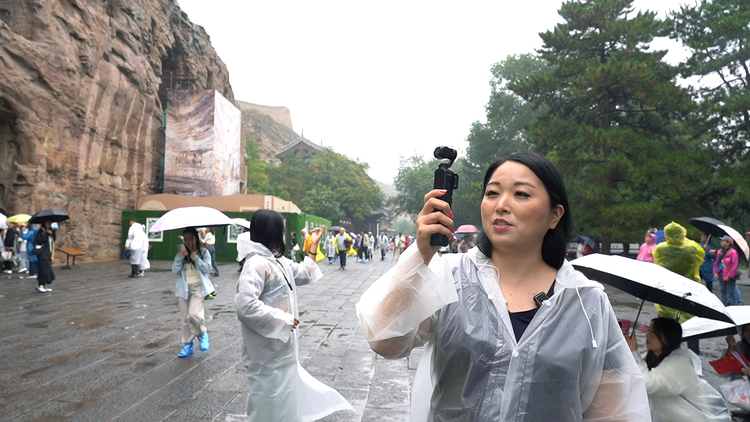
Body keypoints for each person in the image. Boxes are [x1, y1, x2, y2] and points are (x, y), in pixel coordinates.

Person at [356, 152, 649, 421]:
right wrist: (421, 255)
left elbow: (614, 411)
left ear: (554, 215)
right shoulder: (451, 276)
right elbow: (386, 341)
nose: (501, 204)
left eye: (520, 194)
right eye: (492, 193)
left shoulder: (586, 301)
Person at [234, 210, 351, 421]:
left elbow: (305, 273)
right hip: (265, 356)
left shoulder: (278, 261)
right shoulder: (256, 264)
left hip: (285, 352)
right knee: (265, 408)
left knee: (285, 407)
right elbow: (245, 306)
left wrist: (314, 244)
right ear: (274, 232)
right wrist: (283, 319)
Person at [626, 317, 731, 421]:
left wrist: (634, 353)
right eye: (649, 331)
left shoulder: (679, 363)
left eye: (653, 332)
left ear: (667, 338)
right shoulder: (651, 356)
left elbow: (646, 383)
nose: (648, 335)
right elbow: (631, 372)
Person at [172, 227, 216, 358]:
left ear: (196, 238)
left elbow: (208, 269)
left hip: (198, 288)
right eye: (185, 239)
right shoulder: (181, 253)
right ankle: (188, 345)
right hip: (183, 288)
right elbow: (175, 271)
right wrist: (180, 258)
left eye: (190, 239)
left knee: (194, 315)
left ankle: (202, 333)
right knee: (186, 318)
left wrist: (196, 258)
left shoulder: (203, 252)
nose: (188, 242)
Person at [714, 235, 740, 306]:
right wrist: (715, 272)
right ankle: (725, 303)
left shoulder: (733, 252)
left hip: (729, 273)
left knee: (731, 289)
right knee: (723, 289)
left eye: (723, 241)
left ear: (728, 243)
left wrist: (730, 275)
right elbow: (716, 262)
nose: (721, 242)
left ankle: (733, 304)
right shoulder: (719, 252)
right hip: (721, 272)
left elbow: (734, 265)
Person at [34, 220, 56, 293]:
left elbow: (53, 239)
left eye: (50, 223)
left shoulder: (49, 231)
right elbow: (39, 241)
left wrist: (53, 232)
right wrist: (46, 234)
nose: (49, 224)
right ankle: (41, 285)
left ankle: (42, 285)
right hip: (42, 254)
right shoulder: (40, 232)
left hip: (48, 253)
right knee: (45, 270)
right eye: (47, 223)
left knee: (42, 270)